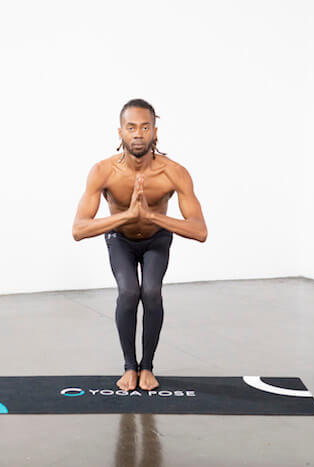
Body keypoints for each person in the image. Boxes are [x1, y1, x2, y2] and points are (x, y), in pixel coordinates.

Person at [72, 98, 207, 391]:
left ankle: (147, 367)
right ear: (120, 132)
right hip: (119, 239)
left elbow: (200, 231)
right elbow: (79, 229)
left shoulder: (174, 172)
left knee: (152, 292)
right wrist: (129, 216)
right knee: (129, 291)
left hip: (156, 239)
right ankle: (129, 367)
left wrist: (149, 216)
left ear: (155, 132)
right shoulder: (102, 171)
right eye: (131, 127)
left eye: (145, 127)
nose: (138, 134)